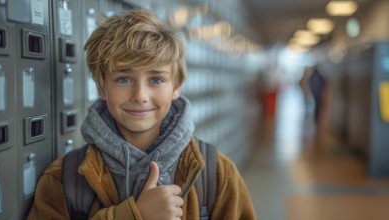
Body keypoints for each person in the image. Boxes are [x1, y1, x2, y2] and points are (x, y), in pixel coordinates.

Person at [26, 9, 256, 219]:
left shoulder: (217, 174)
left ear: (177, 87)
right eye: (123, 79)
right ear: (101, 87)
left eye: (156, 79)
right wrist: (134, 215)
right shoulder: (62, 179)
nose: (140, 95)